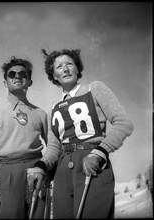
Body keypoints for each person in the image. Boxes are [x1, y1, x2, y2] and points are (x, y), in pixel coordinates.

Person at [27, 49, 134, 219]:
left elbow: (124, 123)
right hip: (63, 171)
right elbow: (54, 147)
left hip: (92, 163)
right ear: (54, 75)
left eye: (70, 64)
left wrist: (99, 153)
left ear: (78, 69)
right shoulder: (54, 107)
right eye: (59, 66)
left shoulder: (95, 89)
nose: (66, 69)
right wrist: (42, 166)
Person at [0, 56, 48, 219]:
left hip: (37, 173)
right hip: (8, 174)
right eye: (12, 74)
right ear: (5, 82)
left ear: (30, 81)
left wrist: (46, 172)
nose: (17, 76)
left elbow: (54, 146)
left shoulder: (41, 114)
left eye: (23, 74)